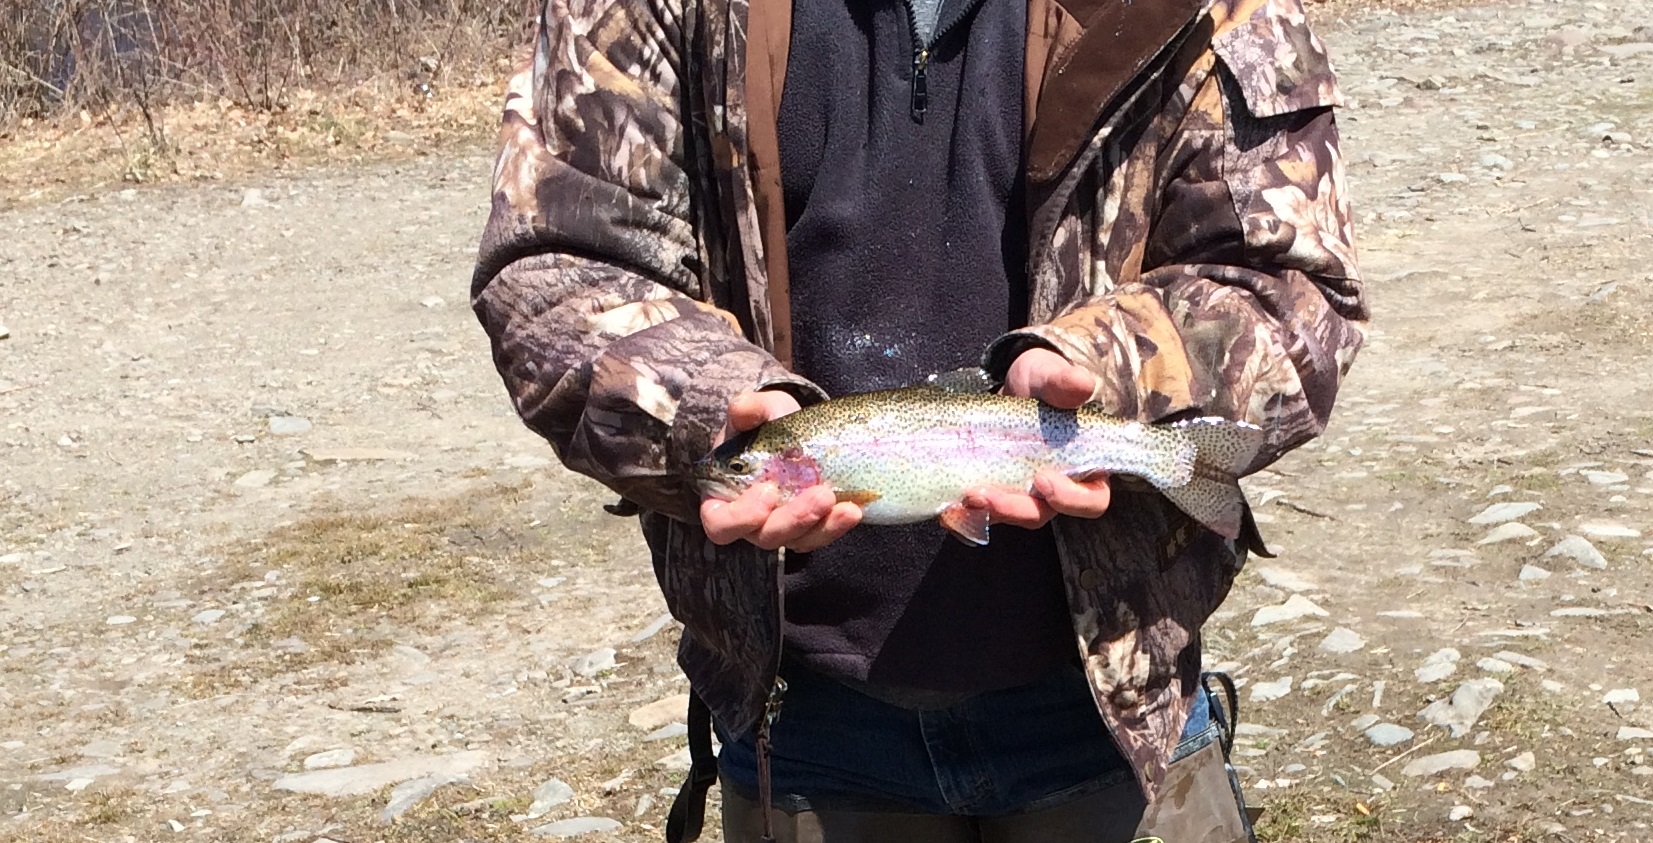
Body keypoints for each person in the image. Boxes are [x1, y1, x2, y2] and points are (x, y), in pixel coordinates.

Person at [471, 0, 1366, 838]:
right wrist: (709, 405)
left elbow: (1289, 286)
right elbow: (556, 267)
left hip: (1120, 702)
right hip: (801, 710)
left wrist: (1103, 369)